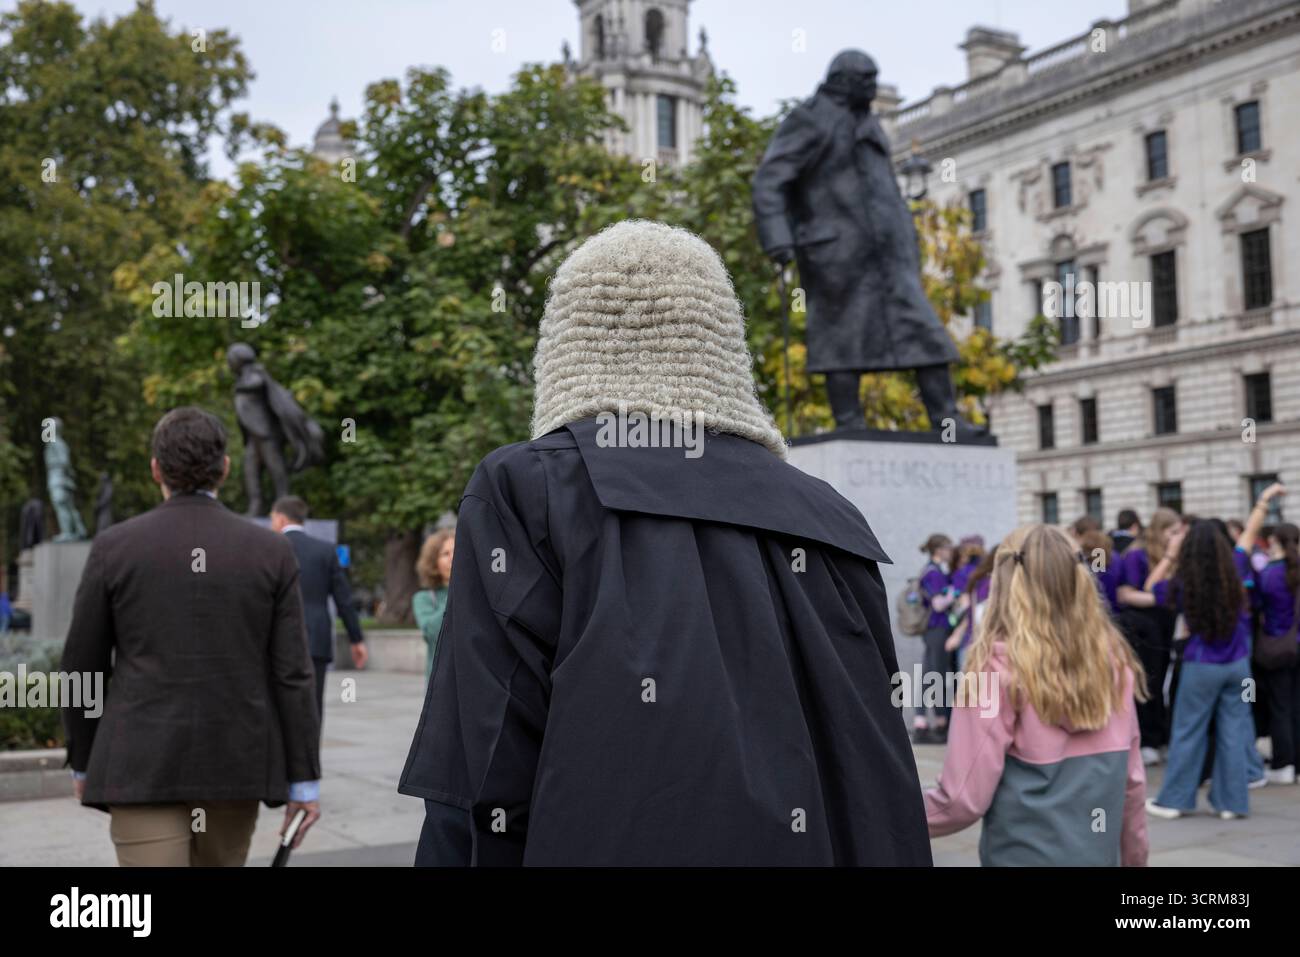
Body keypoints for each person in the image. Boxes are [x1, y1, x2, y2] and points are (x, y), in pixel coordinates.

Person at [399, 220, 932, 865]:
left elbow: (484, 764)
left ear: (565, 343)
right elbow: (878, 765)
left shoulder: (530, 488)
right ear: (721, 341)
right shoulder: (829, 514)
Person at [60, 407, 321, 866]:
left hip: (139, 764)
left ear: (156, 468)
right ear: (223, 468)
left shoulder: (115, 547)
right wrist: (303, 781)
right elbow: (293, 674)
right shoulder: (270, 551)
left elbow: (83, 665)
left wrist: (83, 759)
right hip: (235, 763)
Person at [924, 524, 1149, 866]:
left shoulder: (996, 669)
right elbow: (1132, 786)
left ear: (1005, 582)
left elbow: (960, 800)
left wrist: (881, 814)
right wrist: (1135, 859)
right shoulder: (1114, 662)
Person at [1144, 513, 1259, 820]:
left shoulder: (1183, 582)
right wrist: (1264, 501)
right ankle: (1232, 803)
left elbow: (1150, 586)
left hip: (1201, 663)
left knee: (1188, 731)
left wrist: (1171, 553)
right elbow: (1248, 536)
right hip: (1238, 664)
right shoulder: (1235, 566)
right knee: (1233, 732)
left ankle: (1175, 800)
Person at [271, 496, 368, 725]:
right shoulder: (325, 550)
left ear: (281, 518)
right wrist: (357, 639)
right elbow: (343, 600)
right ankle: (311, 757)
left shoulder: (270, 547)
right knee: (312, 708)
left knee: (278, 707)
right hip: (316, 638)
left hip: (277, 638)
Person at [1239, 486, 1298, 785]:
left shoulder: (1270, 573)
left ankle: (1284, 762)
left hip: (1276, 645)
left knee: (1280, 706)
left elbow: (1257, 604)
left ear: (1275, 541)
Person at [1116, 507, 1181, 764]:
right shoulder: (1136, 555)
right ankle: (1148, 739)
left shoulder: (1170, 555)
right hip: (1144, 625)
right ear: (1160, 531)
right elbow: (1126, 593)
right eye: (1172, 532)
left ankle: (1160, 736)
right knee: (1148, 681)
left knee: (1164, 681)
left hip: (1165, 624)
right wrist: (1162, 599)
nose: (1176, 537)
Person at [914, 534, 956, 744]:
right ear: (939, 550)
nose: (952, 551)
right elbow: (938, 604)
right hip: (937, 629)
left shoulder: (933, 571)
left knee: (931, 672)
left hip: (934, 630)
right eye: (948, 548)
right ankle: (935, 722)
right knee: (934, 674)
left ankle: (924, 720)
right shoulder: (933, 573)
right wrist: (954, 594)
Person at [412, 529, 454, 679]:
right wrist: (456, 589)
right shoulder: (424, 598)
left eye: (456, 551)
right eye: (445, 554)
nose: (452, 558)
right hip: (440, 681)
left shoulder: (476, 593)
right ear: (434, 563)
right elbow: (432, 633)